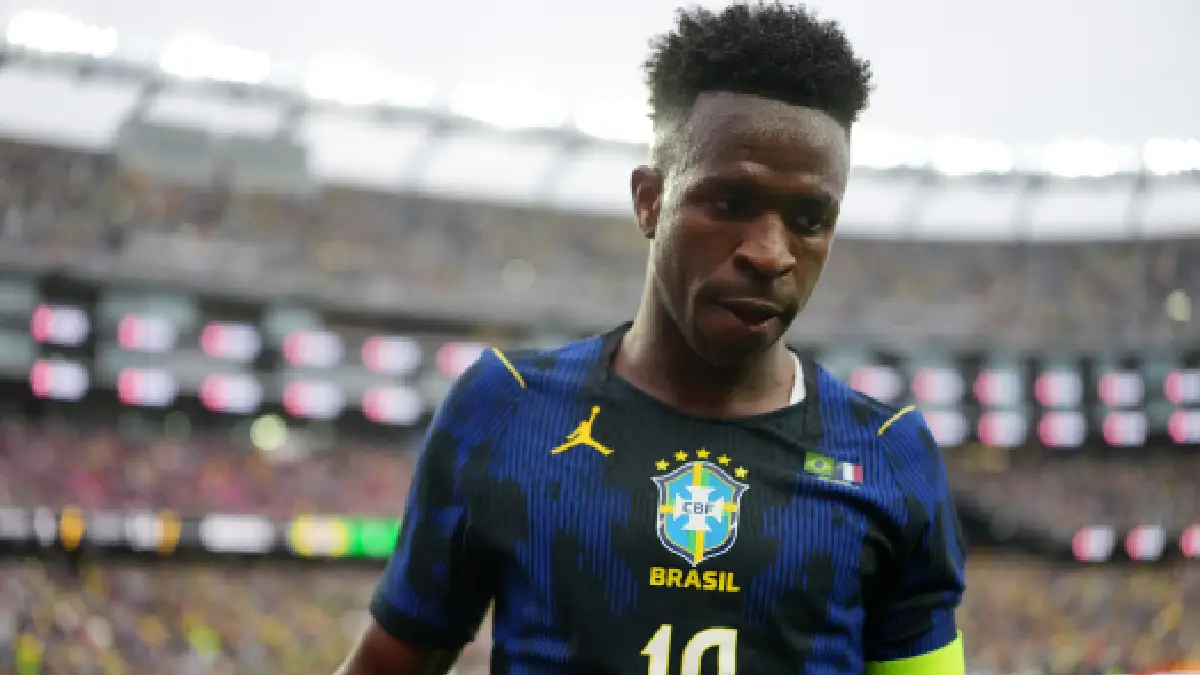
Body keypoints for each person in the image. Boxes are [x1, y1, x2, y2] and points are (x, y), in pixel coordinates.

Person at [335, 3, 966, 674]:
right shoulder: (507, 407)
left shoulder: (889, 452)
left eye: (810, 218)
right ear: (649, 201)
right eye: (728, 203)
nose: (770, 252)